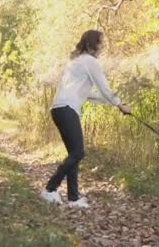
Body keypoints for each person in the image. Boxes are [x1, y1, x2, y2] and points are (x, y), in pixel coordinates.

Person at [40, 30, 131, 209]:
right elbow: (104, 87)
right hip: (67, 109)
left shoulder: (76, 62)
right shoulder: (90, 61)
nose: (102, 46)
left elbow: (87, 93)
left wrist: (111, 101)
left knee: (74, 153)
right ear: (93, 44)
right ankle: (50, 189)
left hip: (59, 109)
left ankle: (73, 198)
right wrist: (119, 105)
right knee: (78, 153)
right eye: (100, 43)